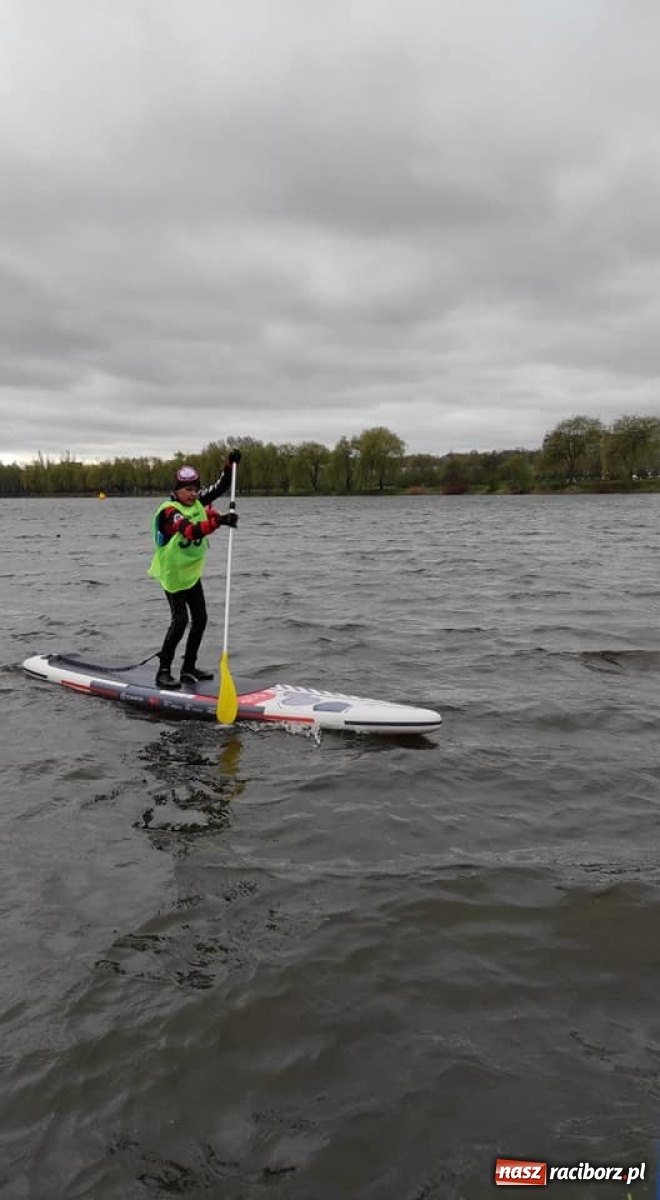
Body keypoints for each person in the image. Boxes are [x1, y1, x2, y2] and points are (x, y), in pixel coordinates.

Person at [148, 451, 241, 689]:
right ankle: (164, 671)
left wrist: (230, 464)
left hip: (190, 573)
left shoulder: (198, 501)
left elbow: (221, 487)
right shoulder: (170, 511)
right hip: (172, 575)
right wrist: (218, 521)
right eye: (188, 489)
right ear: (177, 490)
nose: (193, 494)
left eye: (195, 489)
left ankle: (188, 668)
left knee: (200, 619)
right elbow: (189, 530)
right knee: (180, 621)